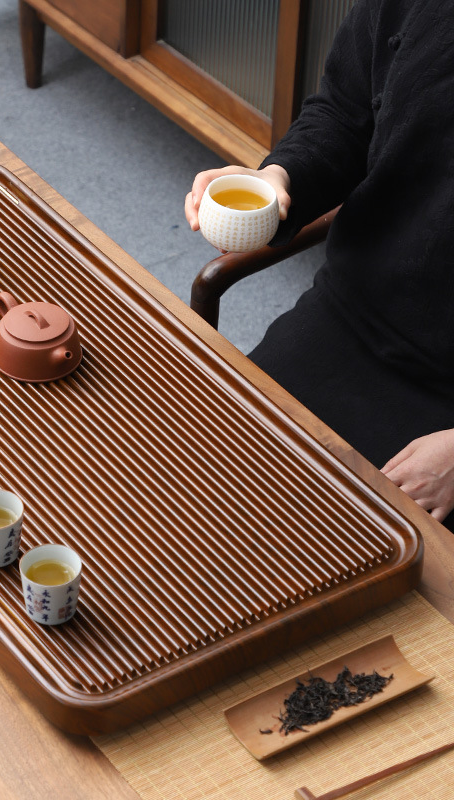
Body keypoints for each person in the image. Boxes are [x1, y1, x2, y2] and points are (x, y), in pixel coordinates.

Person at [184, 0, 454, 531]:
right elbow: (344, 113)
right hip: (351, 317)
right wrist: (279, 178)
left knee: (371, 561)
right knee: (196, 487)